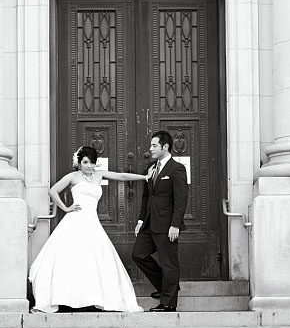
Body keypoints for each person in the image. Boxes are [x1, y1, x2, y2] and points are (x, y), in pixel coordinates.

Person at [29, 145, 149, 313]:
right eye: (85, 162)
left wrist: (145, 177)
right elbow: (53, 190)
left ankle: (92, 298)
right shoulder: (72, 176)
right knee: (71, 259)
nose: (89, 166)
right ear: (79, 163)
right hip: (75, 221)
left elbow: (121, 176)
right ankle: (65, 298)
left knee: (94, 260)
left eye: (92, 162)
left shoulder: (99, 175)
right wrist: (65, 208)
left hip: (92, 222)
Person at [132, 130, 189, 312]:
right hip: (149, 223)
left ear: (165, 147)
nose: (151, 149)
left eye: (154, 145)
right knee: (138, 254)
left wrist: (175, 224)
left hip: (167, 224)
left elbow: (181, 199)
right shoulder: (150, 167)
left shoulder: (177, 169)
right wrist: (140, 220)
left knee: (168, 263)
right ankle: (166, 288)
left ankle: (168, 303)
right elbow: (147, 196)